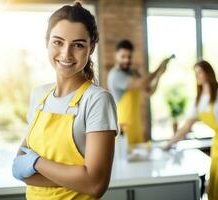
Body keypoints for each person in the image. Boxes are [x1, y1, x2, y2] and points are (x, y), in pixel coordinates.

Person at [12, 3, 118, 200]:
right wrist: (77, 177)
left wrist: (36, 163)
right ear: (47, 42)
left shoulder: (97, 100)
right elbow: (19, 168)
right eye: (58, 42)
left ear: (91, 48)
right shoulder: (39, 95)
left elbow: (95, 185)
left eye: (78, 45)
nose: (66, 54)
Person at [163, 60, 218, 200]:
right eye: (195, 73)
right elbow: (186, 127)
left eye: (200, 72)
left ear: (208, 73)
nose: (197, 75)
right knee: (212, 189)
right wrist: (168, 144)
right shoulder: (199, 100)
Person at [107, 39, 171, 144]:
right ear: (116, 55)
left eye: (129, 57)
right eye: (123, 56)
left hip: (137, 128)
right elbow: (140, 83)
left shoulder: (133, 73)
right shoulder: (115, 75)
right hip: (123, 130)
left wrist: (159, 74)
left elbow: (149, 91)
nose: (126, 60)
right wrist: (159, 67)